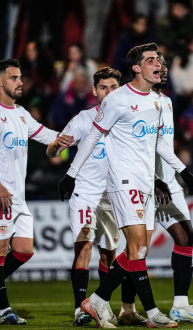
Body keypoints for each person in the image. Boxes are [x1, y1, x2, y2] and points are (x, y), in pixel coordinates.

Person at [58, 43, 193, 329]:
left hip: (147, 182)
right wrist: (71, 174)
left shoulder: (157, 101)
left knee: (139, 251)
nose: (158, 64)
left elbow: (158, 142)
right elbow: (94, 136)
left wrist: (183, 171)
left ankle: (97, 301)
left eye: (158, 59)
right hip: (124, 182)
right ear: (136, 68)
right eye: (150, 60)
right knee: (136, 248)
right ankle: (153, 313)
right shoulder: (118, 99)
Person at [0, 59, 73, 325]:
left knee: (24, 251)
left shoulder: (21, 113)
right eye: (14, 78)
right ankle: (4, 312)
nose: (20, 82)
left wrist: (76, 134)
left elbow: (46, 135)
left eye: (21, 77)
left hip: (18, 197)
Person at [46, 67, 126, 326]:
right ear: (94, 91)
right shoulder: (83, 119)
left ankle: (101, 306)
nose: (109, 92)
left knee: (109, 255)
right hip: (85, 194)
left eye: (114, 87)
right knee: (84, 246)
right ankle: (80, 309)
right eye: (104, 87)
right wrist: (55, 147)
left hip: (113, 196)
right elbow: (52, 152)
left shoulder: (127, 121)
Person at [152, 53, 193, 324]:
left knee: (187, 238)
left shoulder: (165, 101)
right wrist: (157, 179)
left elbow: (163, 144)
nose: (163, 69)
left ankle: (180, 305)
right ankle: (100, 301)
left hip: (169, 182)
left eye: (165, 65)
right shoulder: (139, 103)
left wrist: (178, 175)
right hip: (152, 184)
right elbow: (146, 145)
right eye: (156, 64)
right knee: (136, 248)